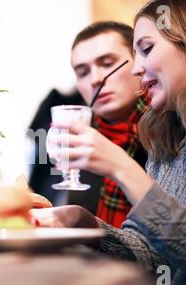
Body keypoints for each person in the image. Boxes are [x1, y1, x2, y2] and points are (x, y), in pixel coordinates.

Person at [34, 0, 186, 285]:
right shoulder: (166, 134)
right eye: (81, 71)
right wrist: (89, 225)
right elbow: (153, 255)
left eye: (146, 49)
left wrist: (122, 168)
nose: (137, 68)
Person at [29, 21, 147, 228]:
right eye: (82, 72)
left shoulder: (169, 132)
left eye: (108, 63)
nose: (95, 79)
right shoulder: (75, 143)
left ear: (140, 63)